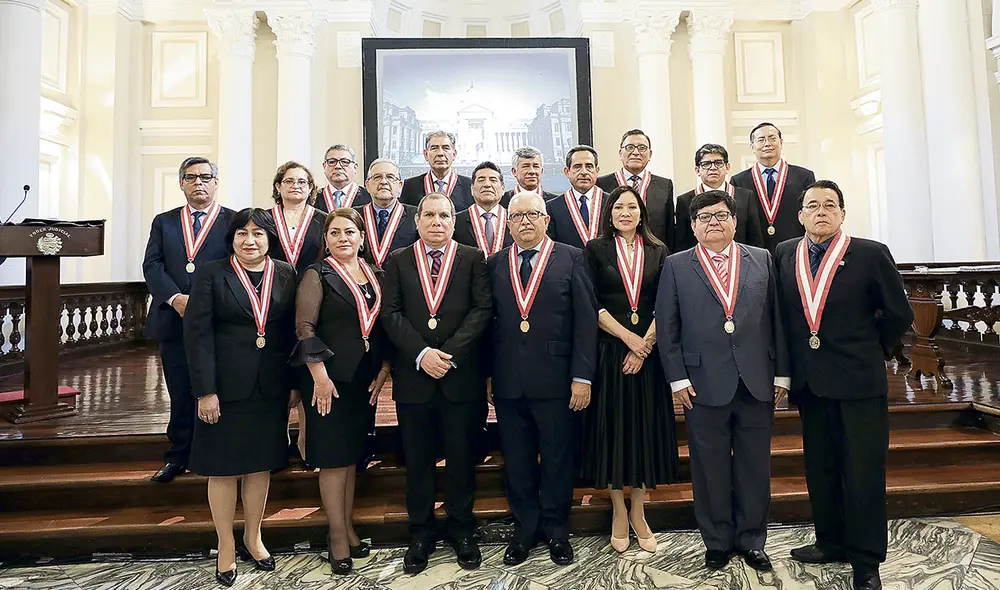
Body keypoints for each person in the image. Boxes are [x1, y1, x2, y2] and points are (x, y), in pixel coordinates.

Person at [775, 181, 912, 590]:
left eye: (830, 205)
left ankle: (866, 561)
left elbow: (899, 313)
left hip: (858, 382)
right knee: (821, 468)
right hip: (810, 383)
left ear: (842, 213)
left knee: (863, 472)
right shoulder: (785, 253)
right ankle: (830, 541)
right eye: (813, 205)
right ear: (800, 215)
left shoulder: (870, 253)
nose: (821, 211)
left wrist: (872, 348)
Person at [656, 190, 789, 573]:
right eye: (705, 217)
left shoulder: (761, 258)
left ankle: (752, 539)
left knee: (754, 466)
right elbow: (667, 326)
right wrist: (677, 379)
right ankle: (716, 541)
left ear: (734, 220)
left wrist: (782, 373)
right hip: (701, 383)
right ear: (693, 226)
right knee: (709, 468)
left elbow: (778, 318)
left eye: (720, 215)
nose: (713, 222)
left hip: (756, 380)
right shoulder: (677, 265)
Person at [183, 208, 298, 587]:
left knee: (259, 465)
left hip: (269, 387)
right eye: (242, 234)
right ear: (232, 238)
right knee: (223, 467)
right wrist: (206, 391)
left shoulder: (285, 273)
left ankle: (253, 536)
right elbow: (197, 335)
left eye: (258, 234)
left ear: (270, 238)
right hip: (224, 389)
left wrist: (294, 384)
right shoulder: (212, 273)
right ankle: (226, 543)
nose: (250, 241)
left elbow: (289, 333)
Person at [380, 193, 492, 574]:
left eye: (444, 215)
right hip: (415, 378)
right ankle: (421, 533)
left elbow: (482, 310)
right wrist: (422, 354)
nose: (436, 221)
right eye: (428, 214)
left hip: (460, 377)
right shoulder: (398, 259)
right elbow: (390, 313)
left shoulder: (473, 258)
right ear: (417, 220)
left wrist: (448, 354)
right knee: (418, 461)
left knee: (461, 459)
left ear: (454, 221)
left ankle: (462, 530)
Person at [488, 191, 598, 567]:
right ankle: (525, 529)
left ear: (546, 220)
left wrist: (582, 376)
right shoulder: (495, 263)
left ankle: (555, 528)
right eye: (517, 216)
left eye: (533, 214)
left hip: (558, 380)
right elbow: (490, 324)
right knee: (517, 459)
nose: (525, 222)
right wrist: (488, 375)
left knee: (557, 457)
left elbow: (586, 322)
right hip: (508, 381)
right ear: (507, 224)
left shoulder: (572, 257)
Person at [292, 208, 392, 575]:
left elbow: (384, 327)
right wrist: (319, 377)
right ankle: (336, 537)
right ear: (326, 239)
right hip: (327, 381)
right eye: (334, 233)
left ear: (362, 238)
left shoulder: (376, 274)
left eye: (350, 231)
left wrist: (384, 369)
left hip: (363, 380)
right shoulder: (317, 274)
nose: (343, 238)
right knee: (333, 459)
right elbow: (304, 328)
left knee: (350, 456)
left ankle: (347, 528)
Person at [580, 186, 677, 554]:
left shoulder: (659, 250)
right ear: (609, 213)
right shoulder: (595, 249)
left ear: (641, 213)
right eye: (618, 206)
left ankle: (639, 509)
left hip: (648, 357)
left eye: (631, 207)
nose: (625, 212)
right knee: (613, 432)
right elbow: (592, 304)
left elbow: (666, 304)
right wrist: (628, 339)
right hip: (610, 353)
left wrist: (644, 345)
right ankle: (618, 510)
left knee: (643, 432)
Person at [142, 157, 235, 483]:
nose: (199, 183)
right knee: (180, 390)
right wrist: (175, 298)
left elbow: (238, 266)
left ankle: (213, 453)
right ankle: (179, 455)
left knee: (215, 387)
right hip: (173, 318)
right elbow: (152, 265)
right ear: (181, 183)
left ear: (216, 183)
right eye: (191, 177)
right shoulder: (164, 222)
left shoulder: (233, 221)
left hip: (218, 322)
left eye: (206, 177)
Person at [730, 122, 817, 250]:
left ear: (781, 143)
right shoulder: (738, 181)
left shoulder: (804, 177)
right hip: (754, 251)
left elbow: (811, 213)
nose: (767, 144)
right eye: (761, 140)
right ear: (752, 147)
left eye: (772, 138)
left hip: (795, 248)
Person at [596, 129, 675, 249]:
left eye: (642, 148)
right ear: (620, 153)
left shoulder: (664, 185)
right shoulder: (602, 184)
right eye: (630, 147)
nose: (636, 152)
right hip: (613, 253)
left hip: (654, 253)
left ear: (650, 154)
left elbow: (669, 229)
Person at [675, 144, 764, 250]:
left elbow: (755, 238)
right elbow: (681, 243)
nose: (713, 168)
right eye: (706, 164)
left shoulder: (745, 196)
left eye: (718, 163)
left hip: (739, 257)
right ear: (697, 170)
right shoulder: (684, 201)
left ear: (727, 167)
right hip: (698, 259)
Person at [353, 159, 419, 268]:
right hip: (363, 276)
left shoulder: (417, 216)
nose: (384, 182)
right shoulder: (354, 216)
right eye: (377, 177)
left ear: (400, 185)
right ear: (367, 185)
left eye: (390, 177)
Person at [265, 161, 327, 277]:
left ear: (310, 188)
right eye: (289, 181)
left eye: (302, 182)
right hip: (272, 281)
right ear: (278, 187)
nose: (295, 186)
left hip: (313, 282)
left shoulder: (325, 220)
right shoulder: (265, 218)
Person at [547, 145, 604, 249]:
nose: (584, 172)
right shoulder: (552, 207)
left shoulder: (613, 202)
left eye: (589, 166)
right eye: (577, 167)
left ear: (597, 171)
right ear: (567, 172)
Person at [400, 131, 474, 211]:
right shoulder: (410, 186)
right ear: (426, 154)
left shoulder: (469, 185)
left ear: (454, 154)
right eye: (434, 148)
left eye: (446, 148)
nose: (440, 153)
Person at [454, 161, 513, 256]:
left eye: (493, 180)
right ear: (472, 189)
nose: (487, 184)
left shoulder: (515, 219)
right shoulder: (455, 221)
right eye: (481, 180)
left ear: (502, 189)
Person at [316, 144, 371, 212]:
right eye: (332, 162)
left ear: (355, 167)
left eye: (345, 162)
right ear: (324, 166)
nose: (338, 166)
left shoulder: (369, 196)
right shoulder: (313, 198)